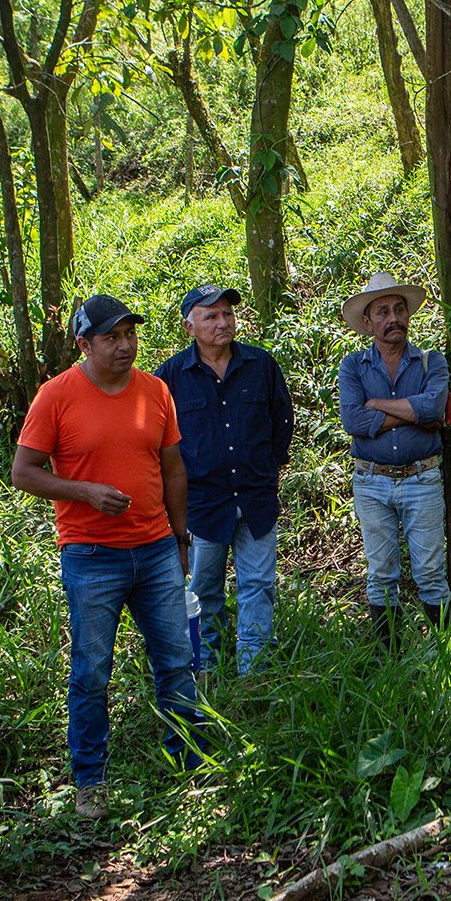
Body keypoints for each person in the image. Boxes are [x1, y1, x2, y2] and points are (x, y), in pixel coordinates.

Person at [13, 294, 200, 816]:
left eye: (129, 334)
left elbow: (173, 470)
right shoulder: (56, 396)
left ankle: (189, 762)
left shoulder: (155, 391)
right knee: (92, 672)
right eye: (111, 337)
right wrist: (85, 492)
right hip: (91, 554)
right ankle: (90, 781)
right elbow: (23, 472)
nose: (125, 345)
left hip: (156, 549)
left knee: (176, 660)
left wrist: (180, 540)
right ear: (84, 344)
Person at [153, 285, 295, 675]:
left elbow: (282, 419)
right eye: (211, 316)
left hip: (256, 498)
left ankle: (254, 670)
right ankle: (209, 669)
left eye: (228, 314)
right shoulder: (170, 377)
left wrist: (267, 468)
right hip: (202, 504)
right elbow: (158, 443)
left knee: (258, 585)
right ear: (190, 326)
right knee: (204, 590)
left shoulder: (260, 365)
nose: (223, 322)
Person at [337, 272, 451, 630]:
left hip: (422, 476)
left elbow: (433, 409)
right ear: (367, 323)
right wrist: (412, 413)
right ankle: (389, 654)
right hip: (371, 480)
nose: (394, 318)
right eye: (383, 312)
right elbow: (353, 420)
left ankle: (441, 651)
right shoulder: (353, 366)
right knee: (381, 573)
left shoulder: (431, 361)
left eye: (399, 310)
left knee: (431, 571)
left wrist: (377, 405)